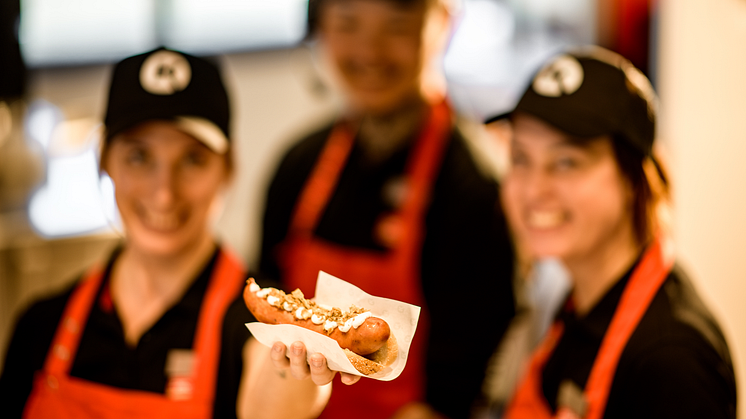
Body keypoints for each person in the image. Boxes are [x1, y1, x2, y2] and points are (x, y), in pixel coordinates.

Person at [0, 47, 358, 419]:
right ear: (104, 160)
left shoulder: (250, 327)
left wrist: (297, 367)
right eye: (139, 157)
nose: (164, 193)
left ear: (228, 168)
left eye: (193, 159)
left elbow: (276, 398)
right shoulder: (41, 327)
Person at [255, 0, 516, 418]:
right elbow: (267, 326)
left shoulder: (474, 185)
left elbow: (467, 372)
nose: (370, 51)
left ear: (443, 24)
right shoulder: (299, 165)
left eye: (396, 26)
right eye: (347, 22)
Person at [486, 47, 737, 418]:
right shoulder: (582, 298)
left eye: (566, 162)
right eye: (521, 159)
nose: (533, 190)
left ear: (635, 180)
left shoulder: (672, 363)